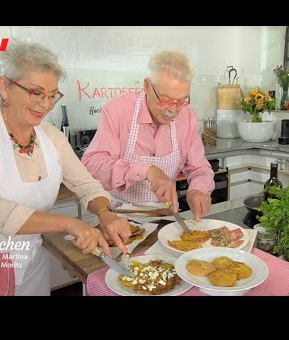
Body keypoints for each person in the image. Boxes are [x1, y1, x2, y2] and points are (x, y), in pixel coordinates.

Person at [0, 39, 130, 296]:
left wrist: (105, 212)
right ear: (5, 87)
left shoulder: (50, 135)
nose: (46, 104)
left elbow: (85, 183)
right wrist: (70, 224)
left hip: (34, 256)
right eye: (36, 93)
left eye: (52, 95)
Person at [82, 50, 215, 219]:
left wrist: (198, 190)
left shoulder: (187, 117)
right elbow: (92, 166)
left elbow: (200, 168)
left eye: (181, 101)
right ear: (147, 86)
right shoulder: (117, 111)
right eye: (166, 100)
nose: (173, 110)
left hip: (166, 218)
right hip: (118, 218)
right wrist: (147, 171)